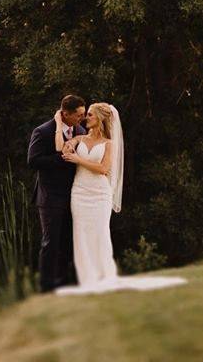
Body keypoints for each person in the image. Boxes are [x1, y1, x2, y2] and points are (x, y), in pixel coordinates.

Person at [55, 102, 187, 295]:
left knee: (100, 233)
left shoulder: (109, 144)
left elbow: (103, 169)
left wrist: (78, 160)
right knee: (81, 234)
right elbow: (61, 149)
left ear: (100, 118)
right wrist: (59, 124)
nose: (86, 118)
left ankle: (105, 276)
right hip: (79, 193)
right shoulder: (79, 137)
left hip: (100, 194)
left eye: (90, 115)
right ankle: (88, 280)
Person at [27, 94, 86, 292]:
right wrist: (62, 158)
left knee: (67, 242)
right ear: (65, 114)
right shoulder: (43, 131)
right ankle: (46, 287)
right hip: (50, 196)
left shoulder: (81, 131)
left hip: (74, 195)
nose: (81, 118)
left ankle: (63, 283)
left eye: (83, 114)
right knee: (50, 242)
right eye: (78, 115)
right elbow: (33, 161)